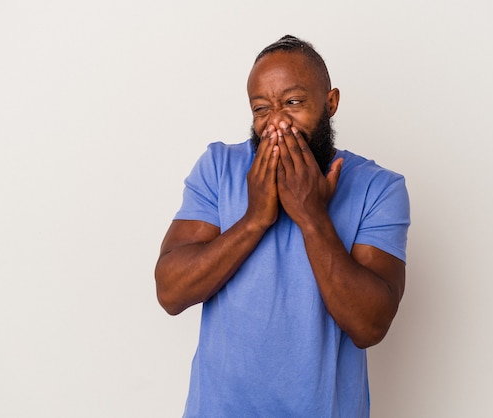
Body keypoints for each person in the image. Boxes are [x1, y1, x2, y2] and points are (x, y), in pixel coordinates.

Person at [155, 35, 410, 417]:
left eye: (293, 103)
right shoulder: (217, 167)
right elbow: (170, 292)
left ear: (330, 103)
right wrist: (255, 219)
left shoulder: (379, 187)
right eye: (261, 109)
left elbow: (369, 326)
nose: (277, 124)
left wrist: (312, 217)